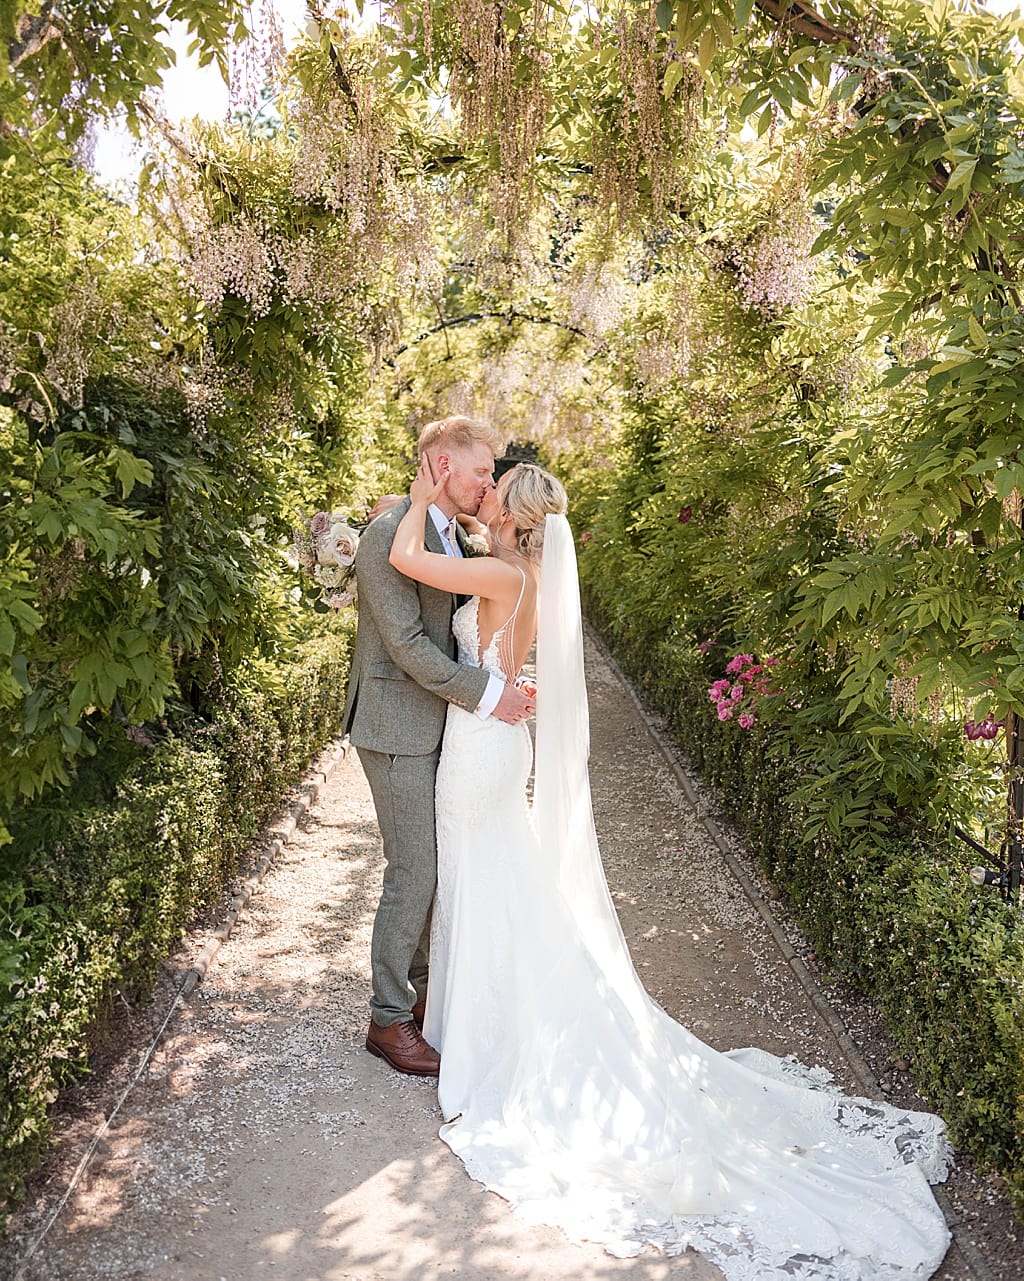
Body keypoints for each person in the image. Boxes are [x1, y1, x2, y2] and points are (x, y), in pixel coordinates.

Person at [386, 458, 954, 1280]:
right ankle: (474, 1022)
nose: (484, 494)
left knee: (484, 884)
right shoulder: (529, 570)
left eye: (492, 489)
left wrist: (412, 500)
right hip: (504, 744)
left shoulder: (495, 570)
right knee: (504, 886)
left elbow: (409, 558)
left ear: (507, 512)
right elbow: (472, 563)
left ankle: (477, 1036)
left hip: (478, 753)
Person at [343, 416, 535, 1078]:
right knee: (413, 870)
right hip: (396, 723)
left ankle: (417, 998)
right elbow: (408, 646)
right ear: (443, 467)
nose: (489, 481)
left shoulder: (447, 530)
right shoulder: (385, 533)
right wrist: (488, 693)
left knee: (432, 866)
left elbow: (466, 622)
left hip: (440, 726)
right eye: (482, 469)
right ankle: (387, 1018)